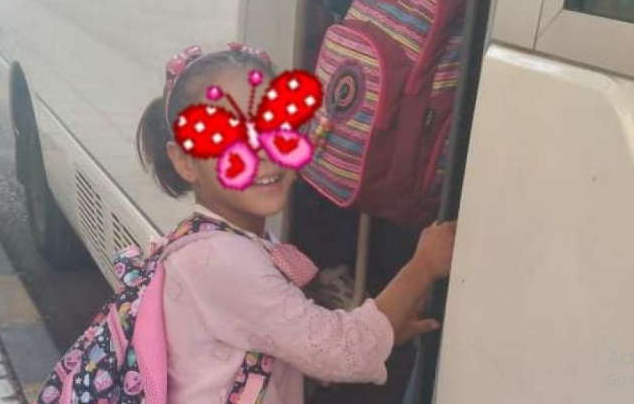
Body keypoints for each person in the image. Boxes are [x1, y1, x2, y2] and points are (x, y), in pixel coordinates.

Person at [136, 43, 456, 404]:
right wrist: (423, 266)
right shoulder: (224, 261)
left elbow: (296, 340)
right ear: (185, 161)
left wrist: (386, 328)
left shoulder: (224, 239)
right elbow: (340, 351)